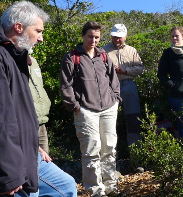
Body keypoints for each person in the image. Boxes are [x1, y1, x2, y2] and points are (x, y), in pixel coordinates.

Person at [0, 1, 47, 197]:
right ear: (19, 27)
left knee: (65, 186)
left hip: (26, 151)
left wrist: (34, 144)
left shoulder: (12, 56)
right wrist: (7, 175)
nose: (40, 39)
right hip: (9, 164)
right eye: (38, 31)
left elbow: (16, 111)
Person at [60, 22, 124, 197]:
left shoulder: (103, 55)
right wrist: (75, 106)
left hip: (109, 108)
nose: (94, 40)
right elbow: (66, 85)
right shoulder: (72, 57)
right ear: (83, 36)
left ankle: (111, 187)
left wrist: (116, 98)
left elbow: (113, 79)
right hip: (86, 111)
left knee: (110, 148)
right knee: (91, 150)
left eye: (97, 37)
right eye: (90, 36)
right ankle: (96, 191)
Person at [29, 56, 78, 197]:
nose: (40, 39)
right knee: (31, 175)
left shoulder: (33, 61)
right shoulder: (9, 60)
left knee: (44, 166)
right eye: (37, 32)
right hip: (26, 125)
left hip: (41, 121)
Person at [103, 24, 145, 146]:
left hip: (129, 85)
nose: (117, 39)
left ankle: (135, 152)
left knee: (133, 118)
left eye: (119, 37)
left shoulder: (132, 50)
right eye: (114, 37)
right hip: (110, 87)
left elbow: (140, 68)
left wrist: (125, 71)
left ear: (125, 37)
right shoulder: (103, 51)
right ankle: (111, 154)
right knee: (109, 120)